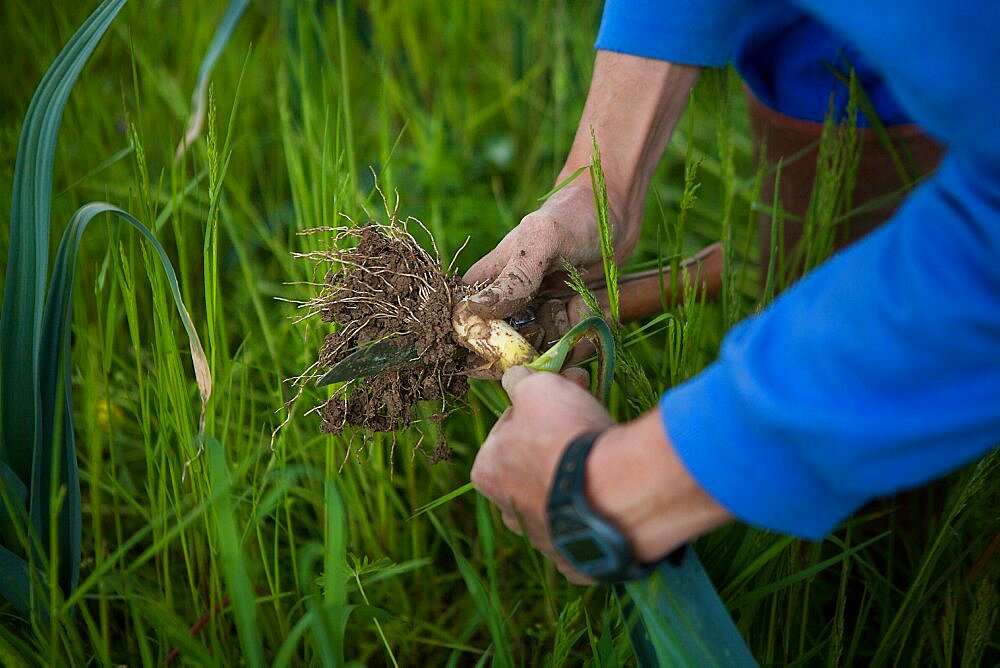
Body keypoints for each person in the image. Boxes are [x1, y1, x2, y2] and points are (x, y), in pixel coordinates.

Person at [464, 0, 1000, 584]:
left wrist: (627, 484)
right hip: (830, 60)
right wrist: (602, 184)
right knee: (819, 298)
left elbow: (982, 273)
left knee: (915, 490)